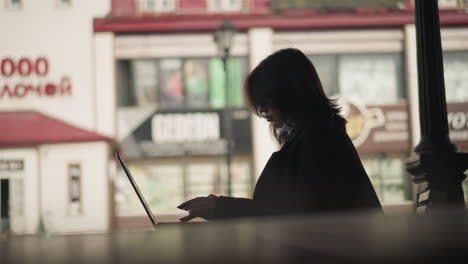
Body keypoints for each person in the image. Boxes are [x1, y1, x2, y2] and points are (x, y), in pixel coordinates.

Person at [178, 48, 382, 222]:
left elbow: (288, 215)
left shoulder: (316, 140)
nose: (262, 111)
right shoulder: (320, 134)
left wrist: (219, 207)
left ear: (287, 95)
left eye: (265, 101)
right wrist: (218, 206)